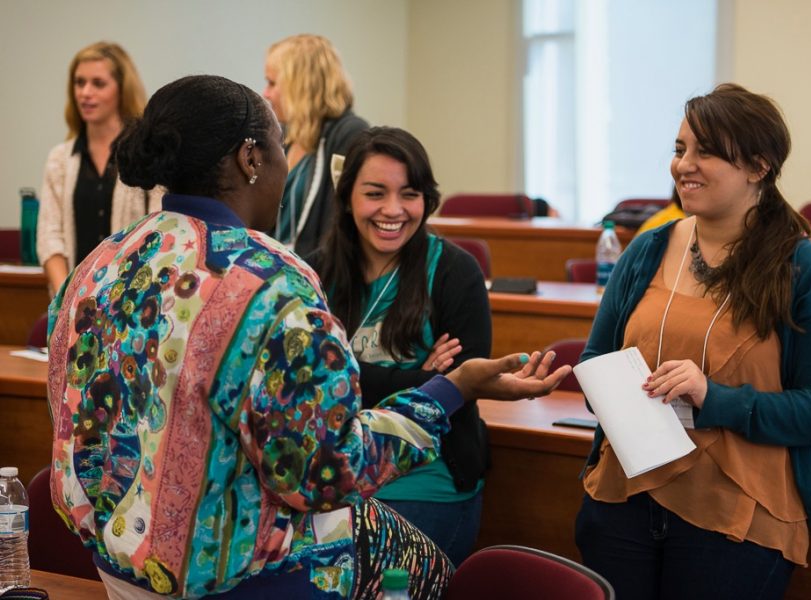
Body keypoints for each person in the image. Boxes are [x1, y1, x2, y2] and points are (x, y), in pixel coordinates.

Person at [46, 74, 570, 600]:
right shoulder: (268, 282)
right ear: (251, 159)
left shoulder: (100, 262)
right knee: (425, 572)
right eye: (281, 146)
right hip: (239, 577)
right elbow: (327, 472)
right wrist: (448, 391)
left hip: (120, 567)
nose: (286, 164)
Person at [574, 83, 811, 600]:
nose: (684, 164)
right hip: (625, 496)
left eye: (706, 151)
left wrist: (714, 398)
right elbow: (597, 358)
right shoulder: (648, 250)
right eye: (680, 149)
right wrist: (611, 389)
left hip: (737, 511)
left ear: (758, 166)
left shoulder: (806, 271)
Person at [312, 127, 496, 566]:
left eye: (409, 194)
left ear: (426, 201)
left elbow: (462, 388)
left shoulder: (455, 271)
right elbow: (309, 388)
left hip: (426, 480)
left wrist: (346, 372)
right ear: (347, 198)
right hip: (336, 476)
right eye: (375, 193)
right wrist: (424, 380)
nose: (393, 210)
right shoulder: (316, 273)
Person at [37, 41, 162, 295]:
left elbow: (158, 230)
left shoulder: (147, 153)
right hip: (73, 303)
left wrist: (121, 297)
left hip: (131, 300)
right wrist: (67, 297)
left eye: (98, 83)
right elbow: (50, 238)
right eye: (79, 82)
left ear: (122, 90)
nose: (85, 92)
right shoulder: (60, 159)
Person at [263, 34, 369, 257]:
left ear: (300, 85)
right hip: (276, 268)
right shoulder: (284, 138)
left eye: (272, 83)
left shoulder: (349, 134)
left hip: (315, 275)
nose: (266, 93)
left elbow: (340, 225)